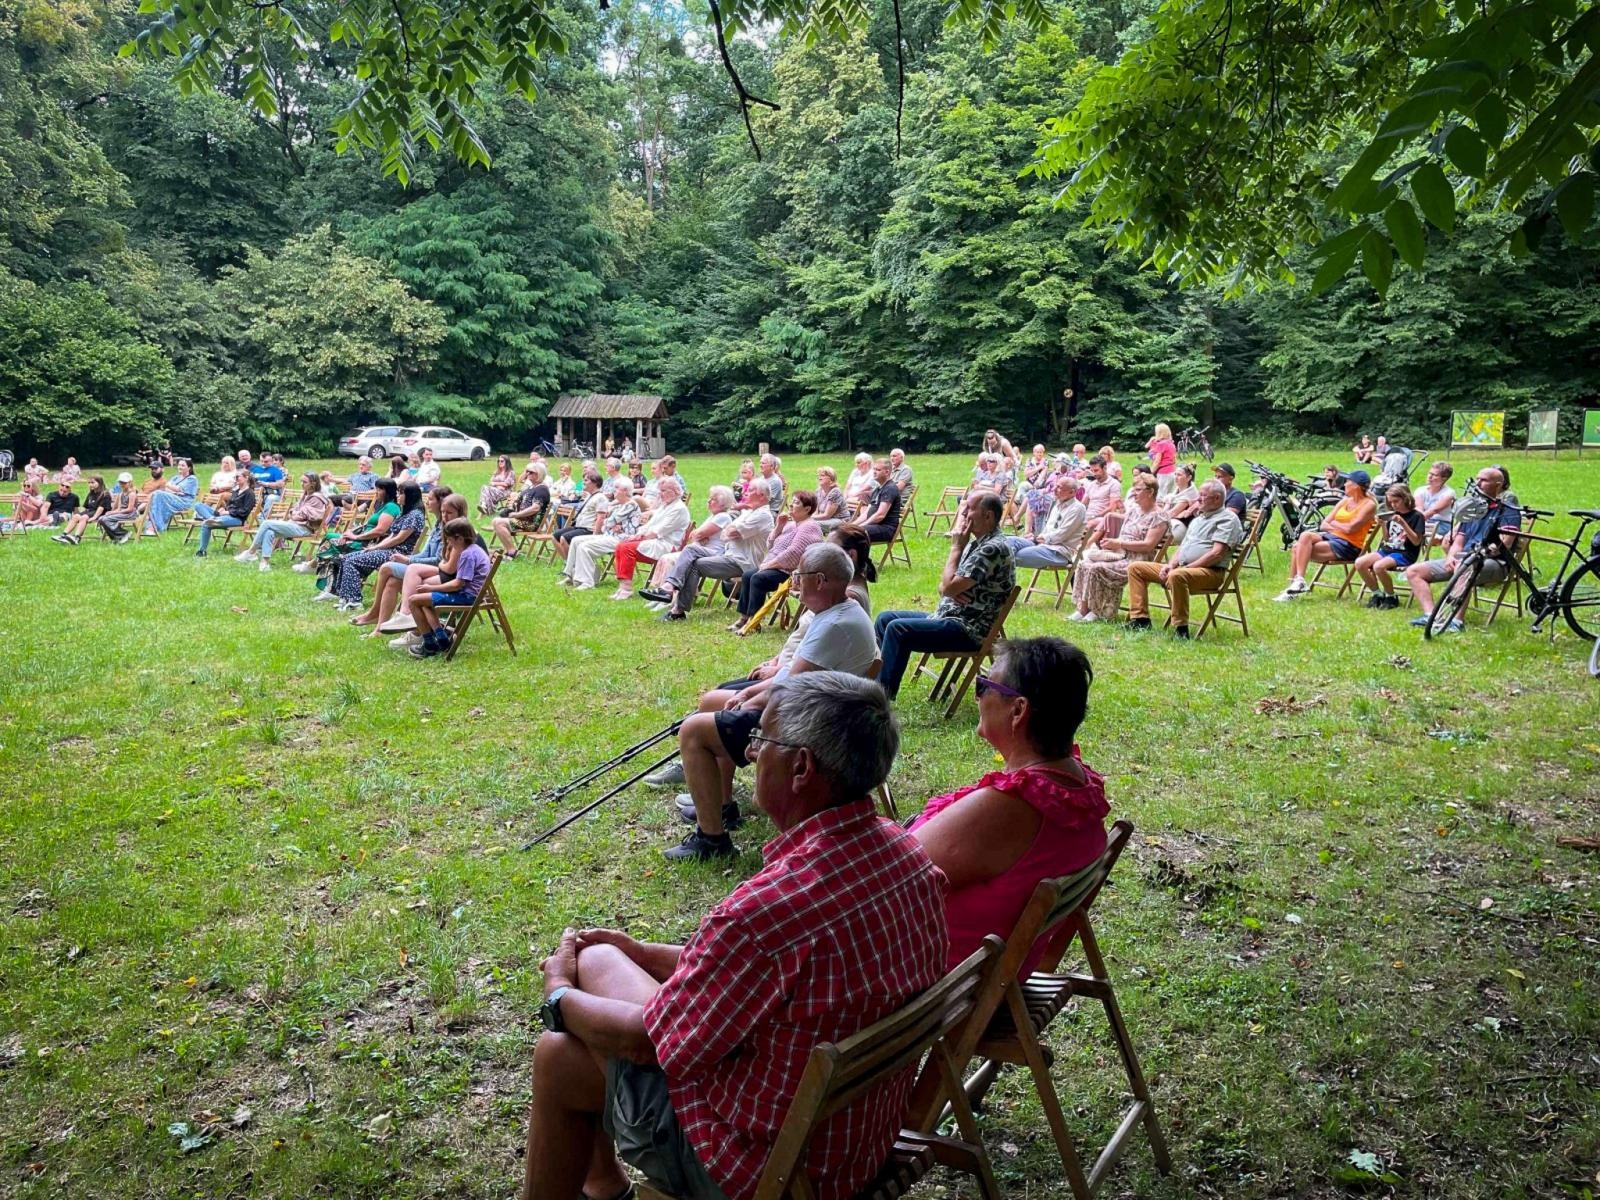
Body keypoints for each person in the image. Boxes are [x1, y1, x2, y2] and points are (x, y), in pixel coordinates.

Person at [521, 672, 945, 1200]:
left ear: (801, 767)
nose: (748, 754)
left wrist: (560, 994)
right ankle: (603, 1187)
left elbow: (647, 1043)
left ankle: (603, 1187)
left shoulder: (766, 914)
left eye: (760, 740)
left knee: (558, 1054)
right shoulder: (908, 859)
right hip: (854, 1142)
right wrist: (643, 953)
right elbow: (765, 977)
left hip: (770, 1170)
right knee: (603, 961)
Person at [667, 545, 881, 860]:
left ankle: (712, 840)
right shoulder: (835, 612)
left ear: (820, 580)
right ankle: (722, 806)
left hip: (811, 726)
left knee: (693, 731)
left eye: (799, 576)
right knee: (714, 701)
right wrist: (749, 694)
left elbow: (789, 688)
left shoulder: (835, 624)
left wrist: (751, 700)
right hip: (815, 708)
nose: (795, 582)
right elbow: (792, 675)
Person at [909, 637, 1107, 971]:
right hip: (985, 977)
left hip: (934, 989)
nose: (978, 696)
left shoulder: (1010, 807)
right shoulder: (1077, 789)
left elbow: (886, 880)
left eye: (983, 685)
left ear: (1018, 711)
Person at [875, 492, 1014, 699]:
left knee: (898, 628)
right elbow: (944, 588)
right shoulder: (979, 543)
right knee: (885, 618)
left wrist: (956, 548)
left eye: (970, 509)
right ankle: (874, 683)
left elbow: (948, 587)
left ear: (989, 516)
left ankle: (879, 697)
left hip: (968, 628)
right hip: (950, 616)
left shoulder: (993, 548)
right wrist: (950, 589)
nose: (964, 513)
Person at [1404, 465, 1522, 633]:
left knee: (1464, 566)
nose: (1478, 483)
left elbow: (1505, 543)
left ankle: (1456, 621)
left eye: (1484, 480)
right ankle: (1430, 615)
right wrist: (1451, 556)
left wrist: (1475, 556)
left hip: (1494, 563)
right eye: (1477, 479)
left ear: (1498, 484)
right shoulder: (1472, 508)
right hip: (1462, 559)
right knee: (1414, 571)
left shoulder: (1508, 511)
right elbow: (1459, 541)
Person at [1125, 480, 1243, 638]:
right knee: (1136, 568)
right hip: (1182, 568)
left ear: (1216, 498)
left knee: (1177, 575)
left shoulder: (1227, 520)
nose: (1198, 499)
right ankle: (1140, 619)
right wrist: (1171, 564)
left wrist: (1185, 569)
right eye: (1199, 495)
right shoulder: (1198, 519)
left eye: (1203, 496)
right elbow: (1183, 547)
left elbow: (1216, 554)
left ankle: (1181, 629)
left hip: (1210, 573)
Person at [651, 486, 775, 619]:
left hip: (743, 562)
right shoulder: (749, 513)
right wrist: (730, 531)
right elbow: (724, 535)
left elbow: (730, 533)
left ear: (761, 495)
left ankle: (673, 596)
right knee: (692, 557)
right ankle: (675, 604)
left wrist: (729, 531)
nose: (745, 492)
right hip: (729, 555)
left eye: (750, 491)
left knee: (692, 556)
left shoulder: (762, 515)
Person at [1068, 474, 1169, 622]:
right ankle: (1083, 609)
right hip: (1119, 554)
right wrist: (1112, 543)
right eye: (1134, 489)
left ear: (1150, 492)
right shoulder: (1134, 511)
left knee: (1097, 568)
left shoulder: (1159, 517)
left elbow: (1148, 546)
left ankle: (1099, 611)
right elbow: (1123, 535)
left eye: (1138, 489)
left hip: (1137, 561)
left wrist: (1119, 544)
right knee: (1084, 564)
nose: (1134, 492)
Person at [358, 488, 460, 633]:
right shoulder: (438, 525)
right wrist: (408, 559)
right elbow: (425, 553)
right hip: (429, 569)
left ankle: (383, 613)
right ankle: (380, 628)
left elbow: (439, 560)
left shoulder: (451, 529)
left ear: (441, 502)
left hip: (437, 572)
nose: (427, 502)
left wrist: (408, 561)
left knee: (386, 567)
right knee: (392, 581)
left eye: (430, 499)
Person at [1275, 470, 1378, 601]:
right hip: (1333, 537)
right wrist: (1339, 526)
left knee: (1297, 548)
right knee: (1305, 535)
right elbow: (1324, 524)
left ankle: (1292, 590)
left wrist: (1335, 524)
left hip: (1350, 546)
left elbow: (1352, 529)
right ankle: (1298, 581)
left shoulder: (1369, 504)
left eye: (1347, 482)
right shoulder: (1345, 501)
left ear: (1356, 486)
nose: (1344, 484)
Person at [728, 491, 820, 631]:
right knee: (747, 576)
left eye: (796, 503)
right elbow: (770, 545)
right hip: (774, 566)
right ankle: (744, 617)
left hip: (791, 572)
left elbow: (793, 553)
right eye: (792, 501)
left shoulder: (809, 526)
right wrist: (779, 526)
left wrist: (769, 565)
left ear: (807, 509)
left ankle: (754, 622)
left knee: (758, 578)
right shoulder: (790, 524)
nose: (790, 505)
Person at [327, 482, 426, 611]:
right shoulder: (404, 513)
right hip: (388, 550)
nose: (398, 495)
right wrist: (376, 547)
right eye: (398, 492)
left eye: (401, 493)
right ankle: (345, 597)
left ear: (410, 496)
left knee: (352, 561)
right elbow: (392, 535)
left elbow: (399, 538)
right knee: (346, 557)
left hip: (397, 553)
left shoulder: (415, 515)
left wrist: (376, 548)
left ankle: (355, 601)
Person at [642, 486, 737, 611]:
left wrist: (699, 535)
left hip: (713, 553)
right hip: (701, 550)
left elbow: (697, 534)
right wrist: (699, 536)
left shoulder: (723, 516)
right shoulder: (712, 517)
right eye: (709, 498)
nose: (708, 501)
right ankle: (662, 594)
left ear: (722, 503)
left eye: (713, 499)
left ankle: (670, 594)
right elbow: (694, 535)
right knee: (666, 557)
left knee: (680, 555)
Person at [408, 518, 492, 658]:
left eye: (449, 540)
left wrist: (432, 587)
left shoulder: (467, 555)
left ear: (459, 538)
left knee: (413, 600)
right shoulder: (474, 549)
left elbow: (458, 584)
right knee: (422, 601)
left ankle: (429, 645)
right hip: (469, 594)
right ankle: (442, 639)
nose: (449, 544)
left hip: (466, 597)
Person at [610, 479, 691, 600]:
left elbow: (659, 531)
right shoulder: (665, 506)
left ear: (674, 492)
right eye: (660, 491)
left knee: (627, 548)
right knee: (621, 545)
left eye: (663, 491)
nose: (660, 494)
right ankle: (622, 586)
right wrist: (638, 534)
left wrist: (641, 537)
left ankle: (627, 589)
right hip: (654, 540)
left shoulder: (679, 508)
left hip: (667, 545)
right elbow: (649, 525)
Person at [304, 476, 401, 576]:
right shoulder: (383, 505)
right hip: (363, 538)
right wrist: (350, 533)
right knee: (331, 537)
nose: (376, 492)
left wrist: (356, 537)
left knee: (333, 543)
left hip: (369, 544)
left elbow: (380, 530)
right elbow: (365, 522)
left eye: (380, 489)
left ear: (389, 491)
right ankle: (317, 567)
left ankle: (317, 567)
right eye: (376, 489)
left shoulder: (391, 507)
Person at [238, 472, 333, 569]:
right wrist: (295, 514)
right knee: (269, 532)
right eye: (301, 481)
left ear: (313, 484)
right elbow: (294, 512)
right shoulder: (304, 495)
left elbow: (309, 516)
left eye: (304, 482)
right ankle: (264, 563)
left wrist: (295, 514)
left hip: (304, 529)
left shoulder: (317, 498)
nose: (301, 484)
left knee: (266, 523)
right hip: (294, 525)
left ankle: (251, 551)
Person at [1355, 484, 1426, 609]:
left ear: (1406, 498)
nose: (1393, 505)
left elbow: (1416, 541)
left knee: (1378, 566)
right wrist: (1383, 524)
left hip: (1405, 553)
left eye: (1396, 501)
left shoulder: (1417, 516)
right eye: (1391, 502)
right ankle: (1377, 593)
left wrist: (1403, 524)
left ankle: (1391, 596)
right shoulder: (1393, 514)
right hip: (1387, 550)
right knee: (1360, 563)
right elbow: (1387, 539)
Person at [562, 480, 641, 590]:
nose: (614, 491)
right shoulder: (618, 506)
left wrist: (611, 523)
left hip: (622, 540)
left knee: (585, 547)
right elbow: (605, 525)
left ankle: (587, 582)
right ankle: (571, 575)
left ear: (625, 491)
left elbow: (608, 521)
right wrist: (611, 524)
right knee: (576, 540)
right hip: (608, 536)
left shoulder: (631, 505)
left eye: (617, 488)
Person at [1004, 475, 1086, 570]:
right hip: (1042, 544)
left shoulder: (1077, 509)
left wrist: (1038, 538)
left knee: (1013, 556)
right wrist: (1035, 538)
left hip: (1059, 552)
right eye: (1056, 485)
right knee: (1008, 541)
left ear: (1072, 492)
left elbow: (1061, 535)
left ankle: (997, 582)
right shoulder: (1057, 504)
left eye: (1059, 487)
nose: (1054, 489)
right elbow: (1048, 529)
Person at [490, 465, 551, 557]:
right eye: (527, 471)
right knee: (496, 521)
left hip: (531, 524)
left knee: (499, 523)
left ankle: (512, 552)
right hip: (522, 520)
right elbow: (520, 483)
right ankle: (509, 550)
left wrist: (517, 514)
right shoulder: (531, 487)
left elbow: (535, 508)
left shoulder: (542, 489)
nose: (527, 474)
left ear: (539, 474)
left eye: (530, 472)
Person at [194, 470, 256, 557]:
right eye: (235, 477)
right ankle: (212, 519)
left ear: (246, 478)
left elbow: (244, 512)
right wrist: (223, 509)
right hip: (224, 516)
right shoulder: (236, 491)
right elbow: (230, 505)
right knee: (198, 505)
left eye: (238, 477)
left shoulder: (250, 494)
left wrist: (228, 512)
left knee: (205, 524)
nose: (236, 479)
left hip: (236, 519)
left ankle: (201, 550)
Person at [554, 471, 607, 561]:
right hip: (579, 526)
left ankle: (573, 565)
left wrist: (596, 535)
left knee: (564, 538)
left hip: (588, 529)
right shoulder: (589, 496)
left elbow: (600, 518)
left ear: (595, 483)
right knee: (555, 536)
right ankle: (568, 562)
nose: (583, 482)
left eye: (586, 480)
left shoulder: (600, 497)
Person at [143, 458, 199, 535]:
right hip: (173, 499)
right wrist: (175, 491)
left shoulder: (192, 479)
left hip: (184, 502)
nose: (180, 467)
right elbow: (168, 489)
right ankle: (154, 527)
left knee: (158, 494)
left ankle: (153, 527)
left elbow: (178, 489)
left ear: (189, 468)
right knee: (158, 500)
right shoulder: (176, 477)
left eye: (183, 465)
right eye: (179, 465)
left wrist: (173, 488)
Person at [52, 476, 111, 545]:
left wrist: (94, 517)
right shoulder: (91, 494)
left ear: (100, 483)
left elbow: (101, 508)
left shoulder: (104, 494)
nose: (90, 484)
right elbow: (86, 507)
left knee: (84, 517)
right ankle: (63, 535)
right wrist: (80, 514)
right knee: (76, 516)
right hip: (90, 511)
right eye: (89, 483)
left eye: (92, 482)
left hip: (100, 513)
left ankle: (76, 537)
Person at [859, 458, 903, 544]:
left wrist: (861, 526)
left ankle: (859, 557)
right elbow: (865, 514)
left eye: (878, 470)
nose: (874, 472)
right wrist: (852, 524)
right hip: (875, 526)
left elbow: (880, 515)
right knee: (845, 531)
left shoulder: (890, 488)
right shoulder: (877, 489)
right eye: (874, 469)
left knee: (854, 533)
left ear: (887, 472)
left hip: (886, 528)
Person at [1414, 461, 1456, 544]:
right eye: (1430, 473)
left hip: (1441, 524)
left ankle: (1431, 537)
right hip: (1424, 522)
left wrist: (1415, 524)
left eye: (1435, 475)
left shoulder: (1449, 493)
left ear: (1444, 478)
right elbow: (1419, 508)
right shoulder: (1420, 490)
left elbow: (1433, 511)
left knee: (1413, 533)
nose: (1430, 477)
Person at [1079, 456, 1122, 533]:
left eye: (1096, 470)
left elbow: (1112, 507)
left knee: (1089, 524)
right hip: (1088, 516)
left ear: (1105, 468)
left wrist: (1095, 516)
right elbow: (1083, 503)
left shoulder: (1114, 484)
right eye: (1092, 471)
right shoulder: (1091, 484)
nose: (1094, 474)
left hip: (1102, 518)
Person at [1158, 463, 1201, 536]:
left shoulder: (1189, 495)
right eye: (1175, 474)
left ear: (1189, 478)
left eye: (1179, 475)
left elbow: (1172, 513)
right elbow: (1166, 511)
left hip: (1186, 529)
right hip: (1175, 522)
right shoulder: (1176, 492)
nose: (1175, 477)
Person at [96, 474, 141, 542]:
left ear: (130, 483)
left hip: (130, 514)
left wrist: (115, 512)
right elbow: (119, 508)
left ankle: (123, 533)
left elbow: (130, 509)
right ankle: (116, 537)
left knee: (106, 519)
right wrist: (112, 512)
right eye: (120, 483)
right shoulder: (121, 494)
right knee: (101, 519)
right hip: (122, 513)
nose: (122, 484)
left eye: (124, 483)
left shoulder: (132, 494)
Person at [1146, 423, 1178, 495]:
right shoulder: (1171, 444)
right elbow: (1174, 459)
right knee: (1171, 494)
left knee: (1161, 494)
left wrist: (1150, 473)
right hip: (1172, 472)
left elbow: (1157, 461)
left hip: (1163, 473)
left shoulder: (1161, 444)